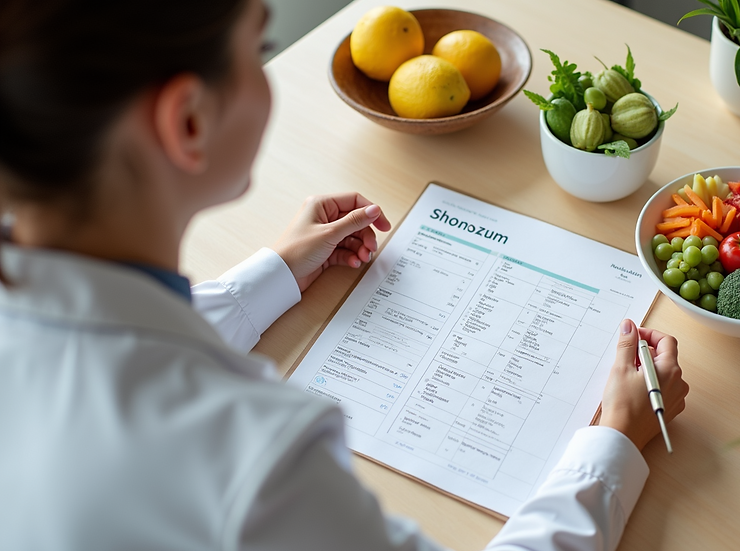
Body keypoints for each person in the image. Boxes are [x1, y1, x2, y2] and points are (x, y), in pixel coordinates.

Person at [0, 0, 689, 549]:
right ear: (187, 122)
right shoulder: (253, 460)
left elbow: (106, 356)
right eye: (258, 49)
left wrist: (270, 275)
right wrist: (615, 443)